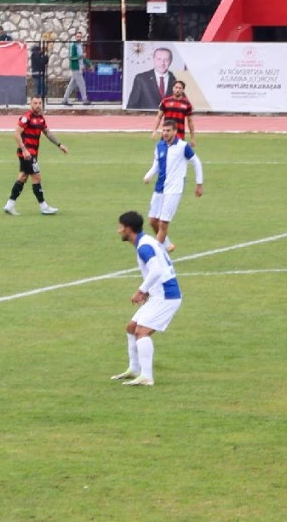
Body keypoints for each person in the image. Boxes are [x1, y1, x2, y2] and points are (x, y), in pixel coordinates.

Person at [111, 210, 183, 387]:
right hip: (160, 294)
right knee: (131, 327)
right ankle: (134, 369)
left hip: (167, 296)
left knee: (141, 332)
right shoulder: (146, 241)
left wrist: (141, 290)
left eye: (120, 227)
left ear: (128, 229)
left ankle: (146, 376)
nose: (118, 231)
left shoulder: (144, 246)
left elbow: (156, 270)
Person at [142, 119, 204, 254]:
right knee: (153, 221)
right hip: (159, 188)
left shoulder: (183, 146)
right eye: (163, 130)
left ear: (175, 132)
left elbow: (196, 162)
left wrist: (199, 184)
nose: (165, 133)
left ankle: (156, 253)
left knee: (163, 223)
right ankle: (167, 245)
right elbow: (156, 164)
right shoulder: (159, 146)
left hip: (174, 189)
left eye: (168, 131)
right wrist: (149, 175)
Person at [3, 96, 67, 216]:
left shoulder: (40, 118)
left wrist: (59, 144)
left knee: (22, 177)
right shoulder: (27, 117)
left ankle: (10, 204)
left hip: (31, 153)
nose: (38, 105)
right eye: (35, 103)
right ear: (31, 104)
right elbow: (16, 133)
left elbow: (47, 132)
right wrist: (24, 150)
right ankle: (44, 207)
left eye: (39, 103)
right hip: (27, 153)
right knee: (36, 177)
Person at [152, 80, 196, 145]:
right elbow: (159, 117)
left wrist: (192, 138)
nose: (177, 90)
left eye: (180, 88)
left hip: (179, 136)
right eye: (176, 87)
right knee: (163, 154)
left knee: (178, 155)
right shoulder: (165, 101)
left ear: (183, 90)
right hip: (166, 134)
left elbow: (190, 121)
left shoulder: (187, 104)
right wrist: (154, 130)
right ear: (173, 88)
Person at [61, 35, 91, 106]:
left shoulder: (80, 45)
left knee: (72, 84)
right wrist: (80, 57)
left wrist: (88, 64)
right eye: (77, 36)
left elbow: (83, 58)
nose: (79, 38)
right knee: (82, 84)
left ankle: (65, 99)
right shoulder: (73, 45)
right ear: (75, 37)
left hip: (79, 67)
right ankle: (84, 99)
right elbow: (71, 57)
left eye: (80, 37)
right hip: (76, 67)